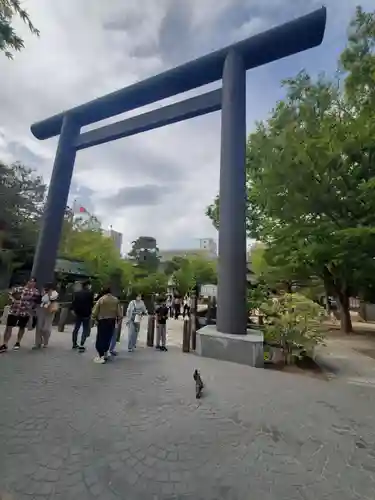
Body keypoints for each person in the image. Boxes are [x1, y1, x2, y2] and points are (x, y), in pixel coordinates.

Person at [0, 278, 40, 352]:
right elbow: (9, 294)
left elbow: (37, 302)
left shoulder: (36, 292)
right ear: (27, 282)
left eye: (33, 282)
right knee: (9, 327)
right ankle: (5, 344)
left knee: (22, 327)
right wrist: (14, 300)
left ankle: (18, 342)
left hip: (25, 312)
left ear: (35, 284)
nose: (31, 283)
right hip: (14, 310)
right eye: (30, 281)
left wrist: (33, 309)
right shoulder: (19, 289)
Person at [91, 286, 122, 364]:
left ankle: (101, 355)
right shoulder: (115, 300)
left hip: (102, 320)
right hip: (112, 320)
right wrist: (118, 320)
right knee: (108, 337)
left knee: (100, 338)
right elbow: (119, 313)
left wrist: (94, 318)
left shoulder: (101, 299)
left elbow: (95, 311)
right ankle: (105, 352)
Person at [33, 283, 59, 349]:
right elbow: (37, 301)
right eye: (45, 288)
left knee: (46, 328)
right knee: (39, 327)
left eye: (47, 289)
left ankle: (45, 341)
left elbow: (54, 303)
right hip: (41, 310)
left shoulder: (55, 294)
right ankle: (38, 343)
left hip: (49, 311)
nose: (45, 290)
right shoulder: (42, 294)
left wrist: (49, 297)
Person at [71, 280, 94, 352]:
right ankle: (81, 344)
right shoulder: (90, 293)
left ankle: (74, 343)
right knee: (85, 329)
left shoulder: (77, 293)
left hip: (78, 313)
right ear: (88, 285)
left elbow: (74, 303)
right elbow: (91, 304)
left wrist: (73, 310)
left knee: (76, 329)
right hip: (86, 314)